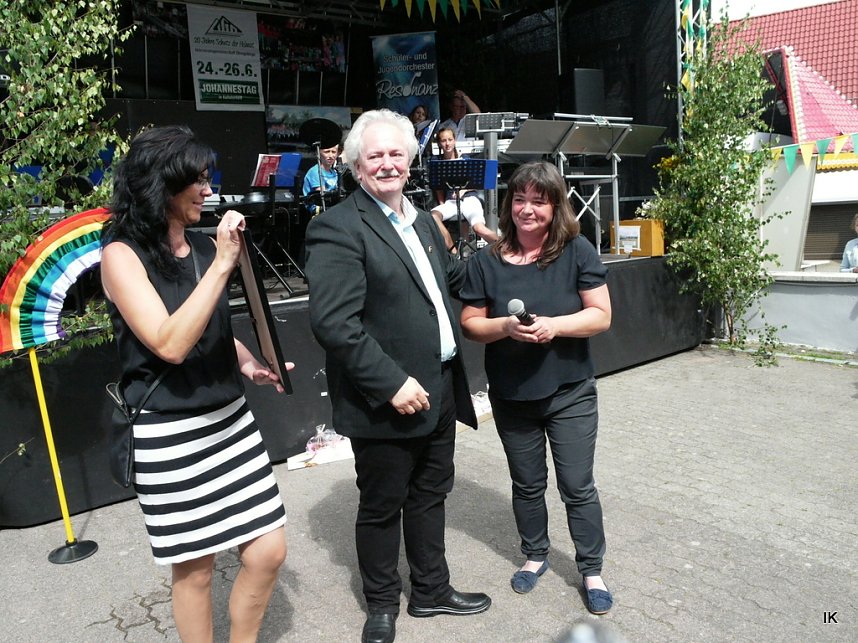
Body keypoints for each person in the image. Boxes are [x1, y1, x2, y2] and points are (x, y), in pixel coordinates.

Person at [304, 109, 491, 643]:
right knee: (382, 505)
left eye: (396, 154)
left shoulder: (423, 221)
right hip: (386, 398)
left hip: (440, 387)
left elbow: (451, 280)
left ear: (411, 161)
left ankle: (431, 591)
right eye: (375, 155)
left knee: (431, 494)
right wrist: (390, 384)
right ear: (356, 165)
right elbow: (334, 324)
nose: (387, 164)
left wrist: (517, 252)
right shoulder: (335, 227)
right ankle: (382, 605)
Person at [100, 125, 292, 642]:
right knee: (196, 568)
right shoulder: (121, 256)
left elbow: (208, 326)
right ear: (161, 184)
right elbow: (169, 342)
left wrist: (250, 361)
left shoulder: (205, 248)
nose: (209, 191)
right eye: (199, 181)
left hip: (230, 422)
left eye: (209, 179)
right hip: (169, 433)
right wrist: (224, 264)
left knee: (268, 550)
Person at [459, 161, 614, 616]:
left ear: (555, 206)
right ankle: (536, 555)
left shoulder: (577, 250)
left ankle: (591, 570)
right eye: (520, 199)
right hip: (512, 395)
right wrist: (506, 326)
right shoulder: (486, 261)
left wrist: (554, 326)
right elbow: (470, 325)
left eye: (538, 201)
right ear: (509, 204)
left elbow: (601, 316)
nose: (527, 209)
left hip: (570, 392)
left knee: (577, 485)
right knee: (526, 485)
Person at [430, 126, 498, 251]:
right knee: (434, 216)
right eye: (444, 140)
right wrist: (441, 203)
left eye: (450, 139)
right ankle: (454, 252)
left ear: (454, 140)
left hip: (469, 198)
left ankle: (505, 249)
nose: (447, 143)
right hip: (451, 201)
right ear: (439, 143)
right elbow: (438, 187)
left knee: (479, 228)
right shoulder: (437, 161)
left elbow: (475, 181)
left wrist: (463, 190)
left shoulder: (464, 158)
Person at [302, 143, 341, 216]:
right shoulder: (315, 171)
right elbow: (322, 196)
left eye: (333, 152)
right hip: (317, 209)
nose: (331, 156)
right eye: (327, 152)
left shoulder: (334, 172)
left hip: (332, 207)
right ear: (319, 153)